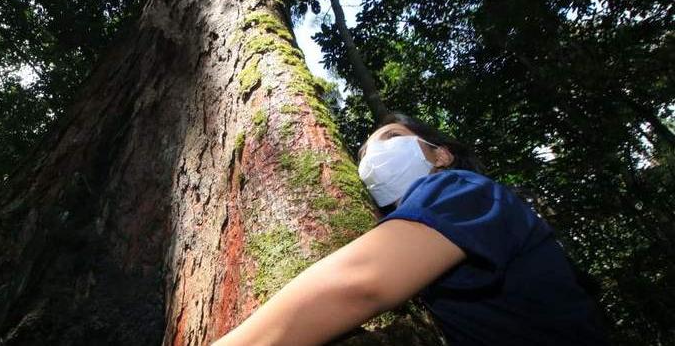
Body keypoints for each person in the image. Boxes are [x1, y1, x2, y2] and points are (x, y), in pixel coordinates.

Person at [212, 113, 608, 345]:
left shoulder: (458, 187)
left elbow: (361, 283)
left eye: (390, 138)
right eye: (364, 155)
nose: (374, 156)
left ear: (441, 154)